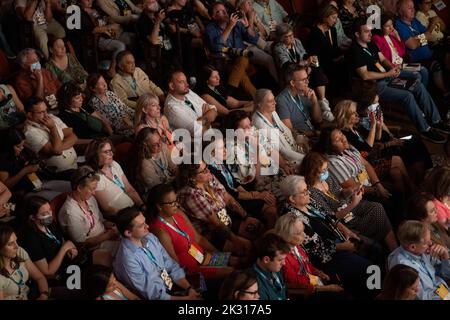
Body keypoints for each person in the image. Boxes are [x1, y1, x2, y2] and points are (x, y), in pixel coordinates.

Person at [349, 18, 449, 143]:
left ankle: (436, 121)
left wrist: (391, 68)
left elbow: (383, 58)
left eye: (370, 31)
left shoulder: (370, 43)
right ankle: (425, 129)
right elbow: (365, 75)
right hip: (374, 86)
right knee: (407, 96)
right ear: (357, 34)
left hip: (388, 75)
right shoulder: (355, 50)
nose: (370, 34)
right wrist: (387, 73)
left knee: (418, 85)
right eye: (366, 32)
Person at [279, 175, 375, 299]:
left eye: (307, 189)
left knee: (374, 249)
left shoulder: (309, 202)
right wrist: (345, 246)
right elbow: (315, 247)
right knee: (370, 269)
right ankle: (373, 294)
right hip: (328, 257)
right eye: (304, 191)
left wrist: (346, 231)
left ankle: (373, 291)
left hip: (339, 240)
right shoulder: (292, 219)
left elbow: (330, 217)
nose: (308, 192)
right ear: (292, 198)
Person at [300, 151, 398, 252]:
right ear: (312, 173)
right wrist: (354, 203)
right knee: (377, 219)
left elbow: (340, 192)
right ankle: (391, 249)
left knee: (377, 207)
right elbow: (332, 218)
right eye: (323, 171)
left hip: (349, 206)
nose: (326, 172)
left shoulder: (327, 178)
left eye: (326, 168)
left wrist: (350, 190)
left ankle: (393, 248)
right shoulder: (311, 193)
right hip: (344, 220)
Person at [351, 79, 433, 185]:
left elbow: (382, 124)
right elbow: (375, 143)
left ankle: (426, 171)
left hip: (390, 140)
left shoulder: (374, 107)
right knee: (413, 144)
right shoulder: (361, 120)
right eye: (375, 98)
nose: (378, 99)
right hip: (385, 148)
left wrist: (389, 133)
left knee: (414, 139)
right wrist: (391, 141)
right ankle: (420, 176)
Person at [147, 183, 235, 279]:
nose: (176, 205)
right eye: (172, 203)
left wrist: (219, 255)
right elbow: (175, 264)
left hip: (201, 257)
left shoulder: (178, 213)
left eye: (176, 200)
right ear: (159, 206)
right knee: (232, 272)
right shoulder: (159, 231)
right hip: (192, 270)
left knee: (236, 261)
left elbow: (198, 239)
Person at [113, 206, 203, 300]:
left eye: (145, 222)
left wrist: (189, 288)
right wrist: (188, 299)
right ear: (128, 233)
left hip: (170, 286)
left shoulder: (150, 237)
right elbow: (154, 295)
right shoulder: (128, 259)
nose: (147, 226)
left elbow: (171, 265)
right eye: (141, 225)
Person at [177, 161, 258, 256]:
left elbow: (227, 197)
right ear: (191, 178)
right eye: (203, 171)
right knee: (246, 249)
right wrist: (237, 241)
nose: (208, 171)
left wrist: (246, 216)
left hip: (225, 218)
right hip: (212, 234)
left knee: (256, 228)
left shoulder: (208, 178)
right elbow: (216, 223)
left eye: (206, 167)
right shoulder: (191, 195)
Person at [334, 99, 414, 196]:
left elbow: (376, 140)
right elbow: (367, 149)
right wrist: (373, 125)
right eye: (353, 113)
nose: (357, 115)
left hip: (372, 158)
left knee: (396, 173)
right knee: (397, 159)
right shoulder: (346, 134)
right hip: (366, 166)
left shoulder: (356, 128)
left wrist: (379, 126)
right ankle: (412, 188)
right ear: (345, 116)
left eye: (356, 112)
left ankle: (405, 199)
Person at [207, 137, 278, 228]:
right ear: (211, 153)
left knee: (272, 201)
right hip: (233, 203)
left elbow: (235, 184)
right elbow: (231, 193)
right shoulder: (212, 170)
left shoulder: (220, 163)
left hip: (240, 195)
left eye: (224, 146)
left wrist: (254, 195)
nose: (225, 150)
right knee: (272, 212)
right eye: (221, 148)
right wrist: (257, 195)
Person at [274, 214, 347, 299]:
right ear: (286, 236)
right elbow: (299, 286)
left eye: (303, 231)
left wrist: (317, 272)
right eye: (299, 233)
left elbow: (307, 264)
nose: (304, 235)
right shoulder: (282, 258)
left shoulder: (295, 245)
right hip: (305, 293)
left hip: (312, 281)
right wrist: (327, 288)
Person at [273, 24, 332, 121]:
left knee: (316, 67)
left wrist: (310, 62)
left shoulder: (297, 42)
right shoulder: (278, 48)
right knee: (310, 69)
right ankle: (318, 109)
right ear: (281, 38)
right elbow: (287, 66)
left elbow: (304, 55)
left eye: (292, 35)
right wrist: (305, 63)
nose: (291, 38)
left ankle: (323, 102)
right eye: (287, 36)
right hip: (290, 74)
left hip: (302, 69)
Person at [58, 166, 120, 256]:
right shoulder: (70, 212)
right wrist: (109, 234)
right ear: (79, 188)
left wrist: (114, 226)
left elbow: (101, 221)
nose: (94, 193)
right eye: (91, 189)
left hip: (106, 237)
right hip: (94, 249)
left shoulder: (89, 199)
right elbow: (82, 243)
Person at [395, 0, 449, 100]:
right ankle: (445, 93)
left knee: (447, 55)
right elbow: (413, 45)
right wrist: (421, 37)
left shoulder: (414, 21)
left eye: (413, 7)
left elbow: (428, 36)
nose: (413, 10)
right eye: (409, 8)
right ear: (401, 11)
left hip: (430, 53)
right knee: (435, 65)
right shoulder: (399, 25)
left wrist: (418, 38)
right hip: (416, 61)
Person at [205, 1, 260, 97]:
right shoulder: (210, 29)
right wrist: (230, 26)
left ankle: (229, 92)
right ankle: (257, 97)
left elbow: (253, 39)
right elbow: (216, 47)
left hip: (241, 57)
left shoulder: (237, 24)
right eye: (219, 12)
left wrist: (247, 25)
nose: (224, 13)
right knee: (242, 75)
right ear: (213, 17)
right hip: (225, 62)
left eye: (224, 10)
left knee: (243, 57)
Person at [0, 128, 72, 200]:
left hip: (37, 181)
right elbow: (6, 184)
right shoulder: (3, 161)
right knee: (61, 197)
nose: (21, 148)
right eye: (18, 146)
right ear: (8, 146)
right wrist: (25, 170)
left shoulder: (21, 151)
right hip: (24, 190)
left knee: (68, 184)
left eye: (23, 145)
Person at [388, 220, 450, 300]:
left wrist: (445, 256)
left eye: (429, 239)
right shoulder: (403, 266)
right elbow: (421, 297)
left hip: (442, 291)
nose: (431, 243)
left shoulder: (421, 250)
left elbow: (446, 275)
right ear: (412, 247)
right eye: (426, 242)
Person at [19, 196, 78, 280]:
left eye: (49, 210)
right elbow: (47, 271)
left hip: (69, 263)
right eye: (44, 214)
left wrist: (70, 249)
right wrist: (64, 249)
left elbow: (61, 240)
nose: (50, 215)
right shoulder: (31, 239)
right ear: (32, 217)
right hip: (60, 274)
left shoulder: (49, 224)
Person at [73, 0, 134, 76]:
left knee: (132, 38)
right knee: (120, 45)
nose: (90, 1)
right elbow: (91, 30)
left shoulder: (96, 8)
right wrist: (109, 27)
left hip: (111, 33)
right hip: (99, 39)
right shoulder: (79, 12)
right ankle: (112, 69)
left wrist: (112, 23)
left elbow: (107, 17)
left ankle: (128, 67)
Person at [84, 138, 144, 216]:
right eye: (106, 152)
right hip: (121, 216)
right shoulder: (95, 178)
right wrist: (131, 215)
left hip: (134, 209)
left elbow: (129, 189)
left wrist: (141, 205)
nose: (111, 154)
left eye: (111, 150)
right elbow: (107, 209)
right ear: (95, 155)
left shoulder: (114, 164)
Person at [24, 97, 78, 179]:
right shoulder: (29, 132)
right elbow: (56, 151)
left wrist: (59, 146)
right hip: (59, 173)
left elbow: (73, 136)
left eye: (46, 110)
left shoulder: (51, 117)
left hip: (75, 164)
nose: (46, 115)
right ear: (30, 115)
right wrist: (53, 128)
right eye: (41, 112)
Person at [372, 13, 429, 84]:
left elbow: (402, 52)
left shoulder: (391, 36)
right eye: (387, 26)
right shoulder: (377, 38)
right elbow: (381, 58)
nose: (391, 28)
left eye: (391, 25)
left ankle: (422, 92)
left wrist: (397, 36)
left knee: (423, 70)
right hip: (394, 68)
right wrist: (393, 66)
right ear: (380, 27)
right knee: (416, 75)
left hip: (403, 65)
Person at [252, 88, 305, 164]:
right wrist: (305, 158)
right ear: (260, 104)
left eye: (274, 99)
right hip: (282, 161)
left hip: (292, 151)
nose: (275, 103)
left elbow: (285, 131)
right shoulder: (259, 123)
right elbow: (282, 151)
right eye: (270, 101)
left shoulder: (272, 112)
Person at [0, 224, 49, 300]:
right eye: (10, 244)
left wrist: (44, 295)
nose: (16, 246)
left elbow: (40, 278)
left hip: (35, 294)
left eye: (16, 241)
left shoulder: (19, 251)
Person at [275, 64, 324, 140]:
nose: (307, 82)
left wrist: (314, 101)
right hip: (302, 141)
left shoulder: (304, 92)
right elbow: (289, 132)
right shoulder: (282, 100)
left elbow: (318, 119)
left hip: (314, 134)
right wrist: (313, 133)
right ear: (292, 83)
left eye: (307, 78)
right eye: (303, 80)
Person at [127, 128, 177, 200]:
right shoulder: (144, 163)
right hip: (157, 194)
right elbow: (157, 187)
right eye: (155, 144)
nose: (160, 145)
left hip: (170, 183)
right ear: (145, 145)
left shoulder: (162, 146)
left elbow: (174, 166)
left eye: (160, 140)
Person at [164, 70, 217, 136]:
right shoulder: (172, 108)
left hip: (209, 134)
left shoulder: (187, 92)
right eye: (181, 82)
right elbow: (198, 131)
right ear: (172, 86)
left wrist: (203, 119)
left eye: (186, 81)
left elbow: (214, 109)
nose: (187, 84)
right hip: (195, 143)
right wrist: (207, 117)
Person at [307, 4, 345, 95]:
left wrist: (341, 55)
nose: (335, 21)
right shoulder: (315, 32)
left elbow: (335, 49)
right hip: (321, 63)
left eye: (336, 18)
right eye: (333, 18)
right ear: (325, 17)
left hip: (333, 60)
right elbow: (314, 54)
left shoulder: (333, 30)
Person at [87, 73, 135, 138]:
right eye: (100, 84)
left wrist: (137, 114)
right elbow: (110, 125)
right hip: (122, 131)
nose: (105, 85)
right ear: (93, 89)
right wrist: (131, 125)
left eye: (104, 82)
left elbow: (124, 107)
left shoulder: (110, 93)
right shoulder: (94, 103)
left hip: (130, 121)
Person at [252, 232, 289, 300]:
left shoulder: (275, 269)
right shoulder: (255, 285)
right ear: (266, 260)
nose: (284, 263)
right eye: (280, 260)